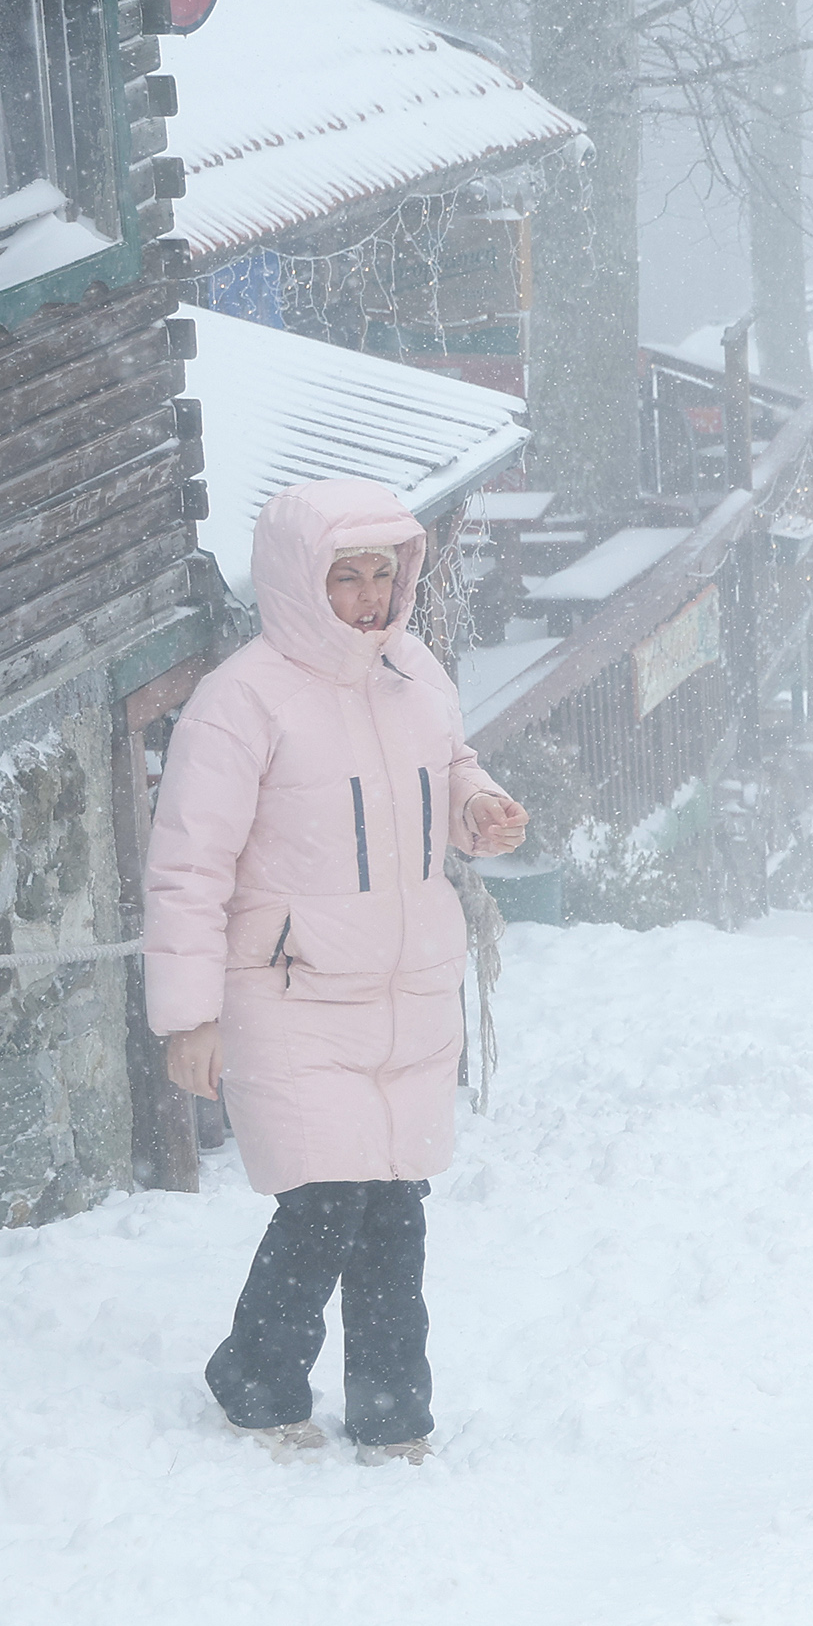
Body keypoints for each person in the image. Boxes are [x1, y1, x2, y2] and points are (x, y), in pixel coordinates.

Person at [145, 480, 527, 1465]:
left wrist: (476, 805)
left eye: (381, 575)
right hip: (292, 991)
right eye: (344, 577)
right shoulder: (241, 700)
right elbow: (188, 866)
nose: (368, 597)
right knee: (325, 1201)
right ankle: (257, 1382)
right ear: (297, 582)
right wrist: (190, 1017)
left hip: (406, 988)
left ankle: (392, 1413)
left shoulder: (414, 672)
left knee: (394, 1207)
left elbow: (449, 765)